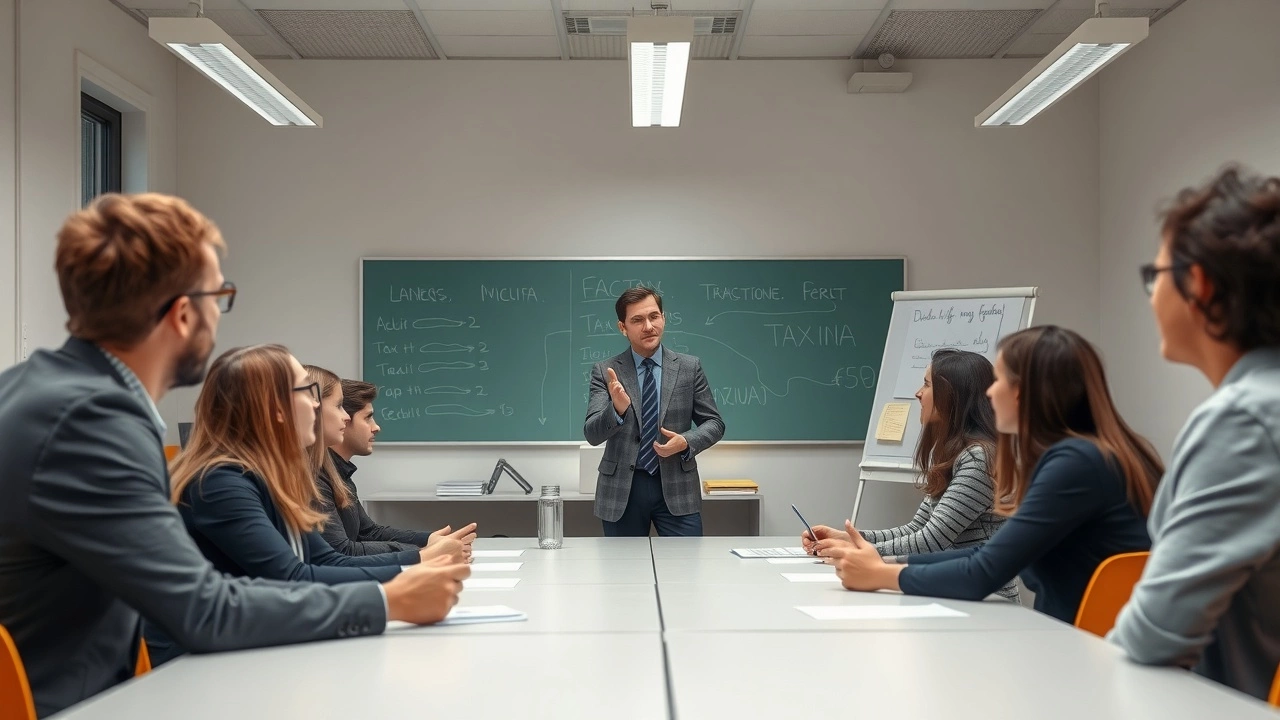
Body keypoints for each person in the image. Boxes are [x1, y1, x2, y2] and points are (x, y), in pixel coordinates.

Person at [0, 194, 467, 717]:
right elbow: (204, 610)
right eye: (219, 297)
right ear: (182, 314)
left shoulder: (42, 392)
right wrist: (388, 601)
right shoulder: (92, 421)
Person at [816, 326, 1163, 624]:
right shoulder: (1082, 456)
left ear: (1023, 392)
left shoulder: (1074, 464)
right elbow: (986, 554)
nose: (989, 392)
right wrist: (881, 562)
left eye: (998, 380)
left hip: (1079, 648)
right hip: (1074, 640)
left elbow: (983, 572)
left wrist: (881, 573)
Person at [146, 346, 467, 664]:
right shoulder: (220, 482)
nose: (316, 405)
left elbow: (324, 560)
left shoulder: (271, 480)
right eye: (308, 392)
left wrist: (416, 564)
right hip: (192, 667)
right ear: (276, 408)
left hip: (249, 648)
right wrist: (408, 573)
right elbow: (293, 577)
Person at [1110, 165, 1280, 700]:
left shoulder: (1244, 421)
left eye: (1154, 276)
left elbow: (1151, 637)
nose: (1151, 294)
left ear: (1199, 284)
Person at [802, 349, 1018, 602]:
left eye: (927, 385)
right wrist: (850, 538)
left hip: (989, 601)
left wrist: (857, 551)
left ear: (951, 396)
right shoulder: (958, 453)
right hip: (948, 591)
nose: (918, 393)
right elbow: (917, 528)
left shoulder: (979, 458)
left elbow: (931, 541)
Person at [584, 286, 725, 537]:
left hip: (677, 487)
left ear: (663, 318)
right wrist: (616, 408)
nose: (648, 326)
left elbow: (714, 423)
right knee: (624, 572)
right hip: (622, 491)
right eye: (637, 320)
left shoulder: (689, 368)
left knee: (686, 569)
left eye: (654, 316)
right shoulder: (605, 371)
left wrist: (686, 441)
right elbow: (592, 434)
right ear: (623, 327)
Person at [322, 377, 479, 556]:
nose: (376, 427)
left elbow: (368, 532)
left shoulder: (340, 473)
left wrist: (430, 540)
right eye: (368, 418)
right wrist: (422, 552)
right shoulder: (318, 478)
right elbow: (343, 551)